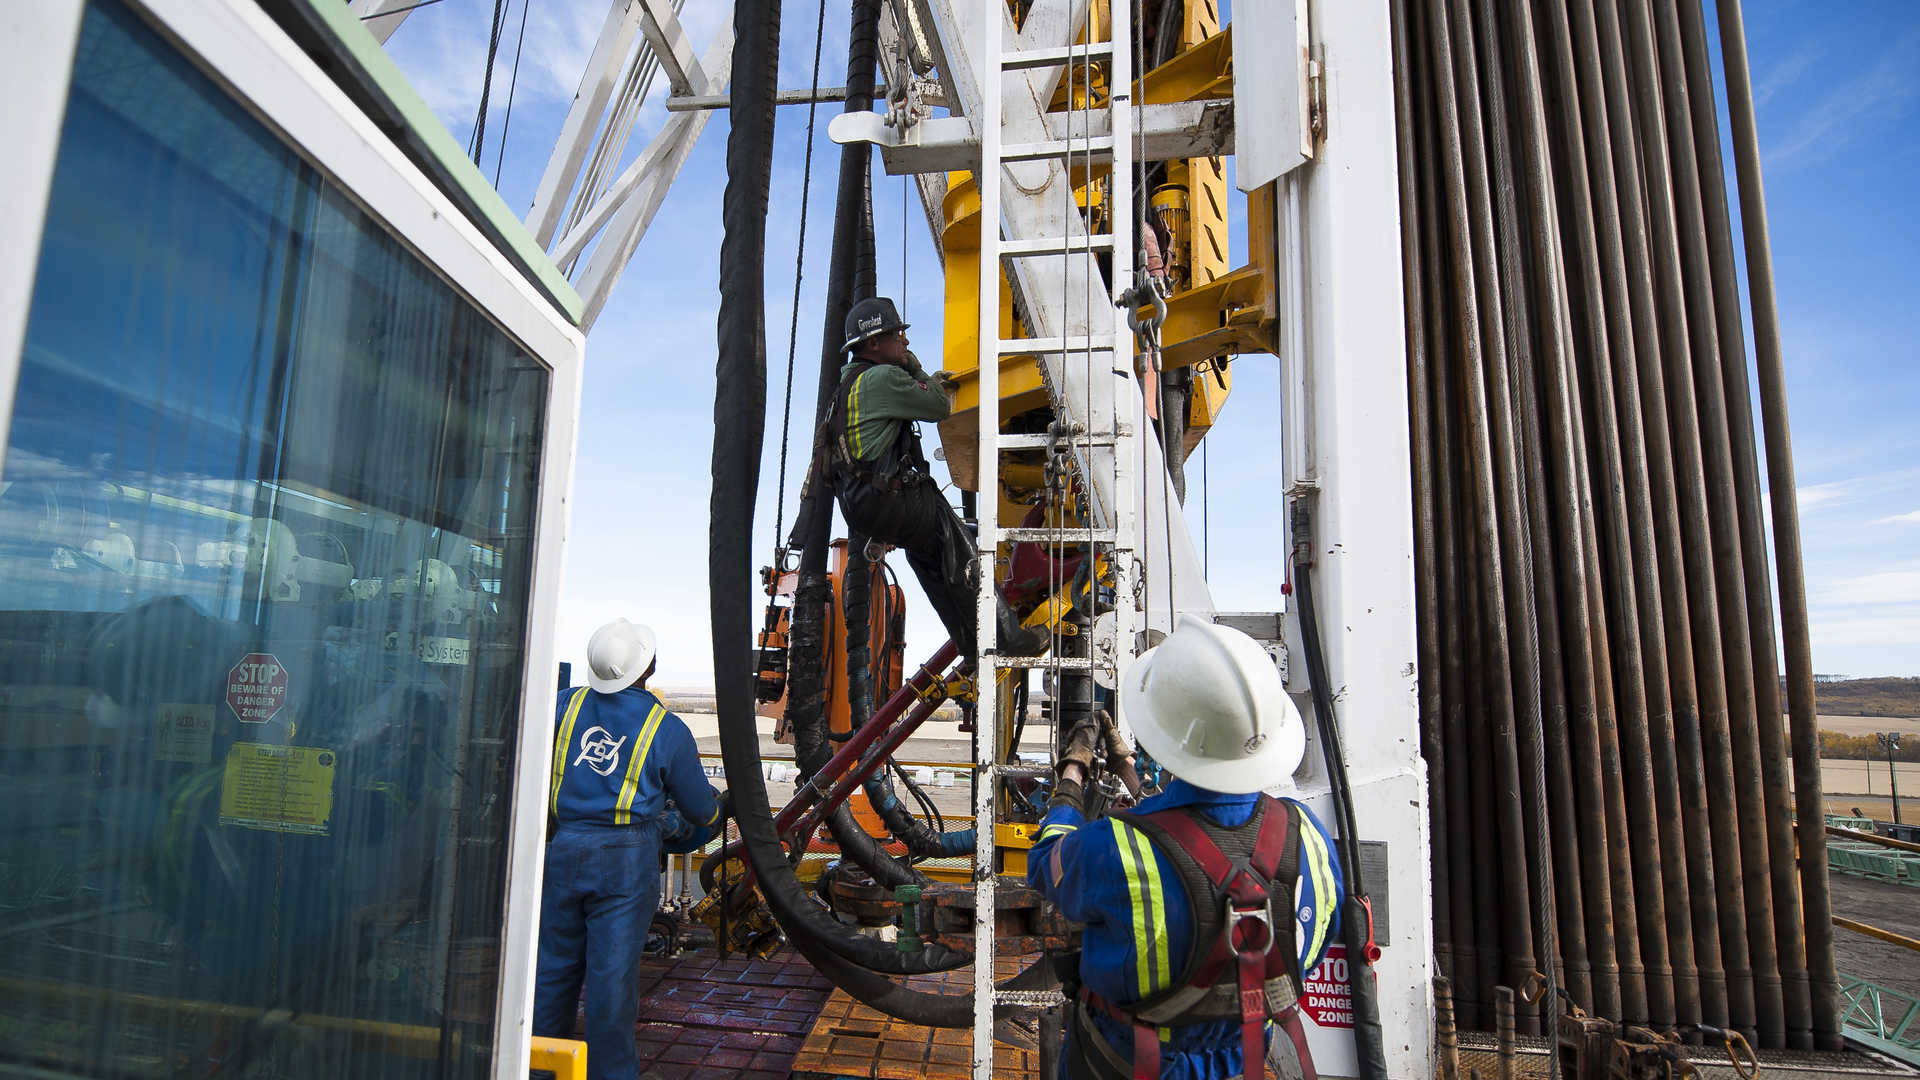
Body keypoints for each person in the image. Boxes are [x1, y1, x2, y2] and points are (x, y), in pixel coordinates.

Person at [1030, 616, 1344, 1080]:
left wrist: (1072, 777)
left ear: (1167, 736)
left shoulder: (1112, 848)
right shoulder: (1309, 837)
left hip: (1125, 1063)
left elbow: (1047, 864)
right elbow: (1192, 838)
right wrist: (1130, 771)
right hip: (1245, 1064)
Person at [535, 618, 723, 1080]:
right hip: (623, 861)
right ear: (650, 666)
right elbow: (701, 810)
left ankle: (538, 1068)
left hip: (562, 849)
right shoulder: (665, 728)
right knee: (611, 982)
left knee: (551, 971)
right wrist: (709, 816)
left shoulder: (563, 704)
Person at [825, 295, 1046, 658]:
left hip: (860, 506)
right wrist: (915, 368)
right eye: (898, 334)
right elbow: (938, 406)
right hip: (888, 498)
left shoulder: (848, 386)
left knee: (929, 555)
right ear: (874, 342)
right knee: (956, 543)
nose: (906, 341)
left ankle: (972, 645)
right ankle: (1006, 637)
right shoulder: (884, 378)